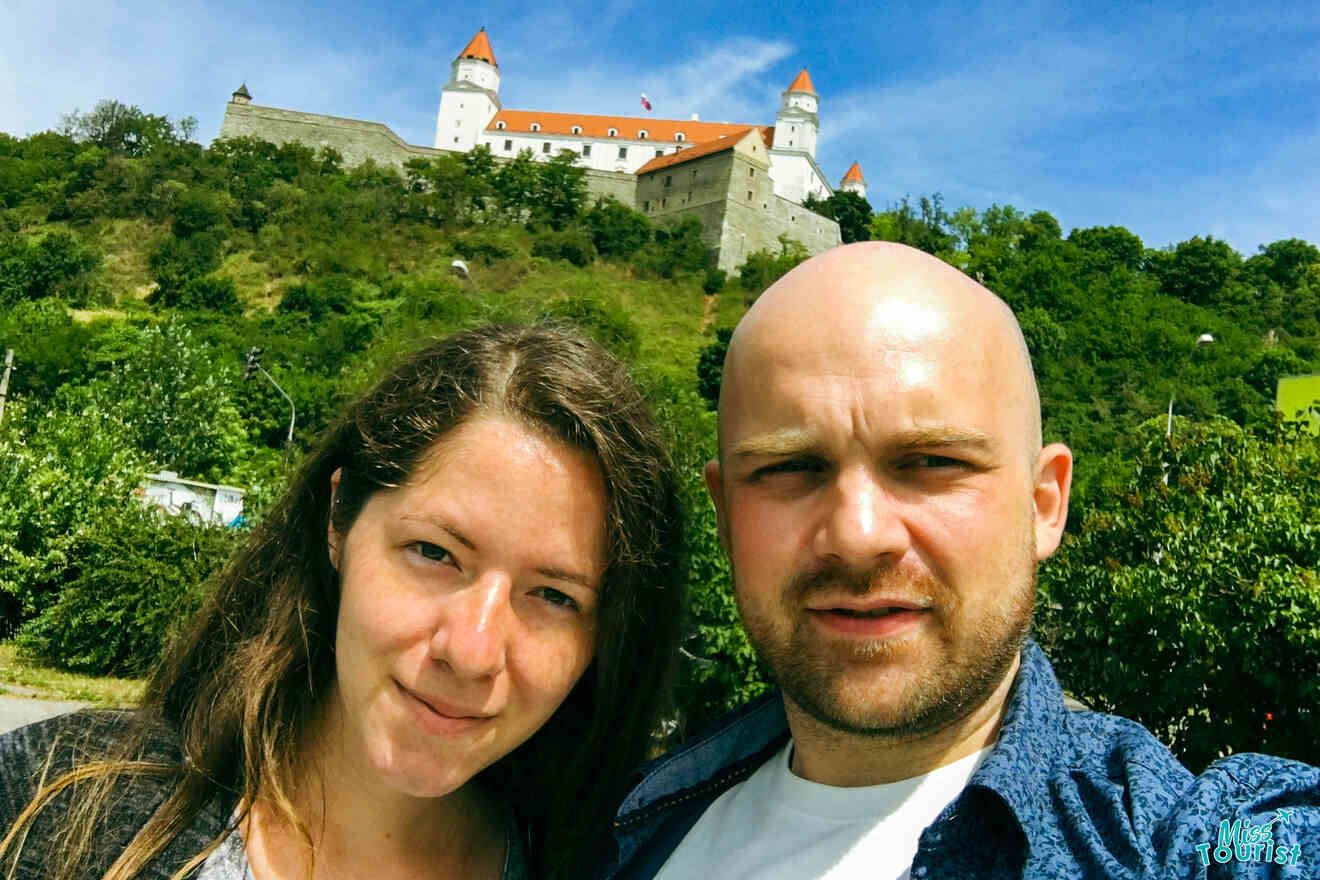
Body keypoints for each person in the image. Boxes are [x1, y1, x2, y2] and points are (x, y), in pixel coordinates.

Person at [601, 242, 1319, 879]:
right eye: (791, 468)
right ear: (726, 515)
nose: (858, 535)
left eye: (932, 462)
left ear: (1044, 505)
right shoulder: (610, 831)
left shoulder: (1185, 839)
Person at [0, 323, 685, 880]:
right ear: (338, 523)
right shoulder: (49, 804)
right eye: (434, 553)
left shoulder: (614, 865)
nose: (472, 652)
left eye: (554, 596)